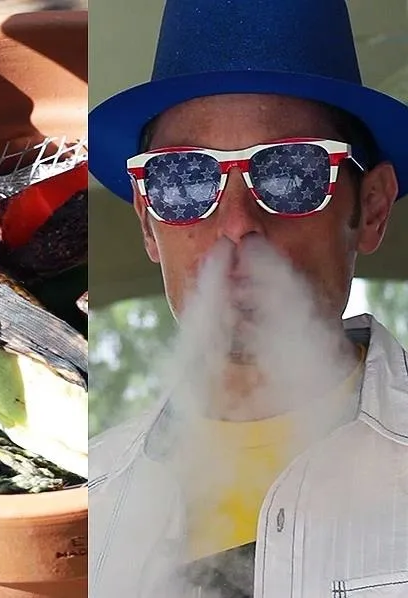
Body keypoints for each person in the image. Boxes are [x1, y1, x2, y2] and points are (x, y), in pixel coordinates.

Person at [86, 0, 408, 596]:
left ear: (371, 209)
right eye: (185, 179)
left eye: (291, 171)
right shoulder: (85, 487)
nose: (237, 223)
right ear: (147, 222)